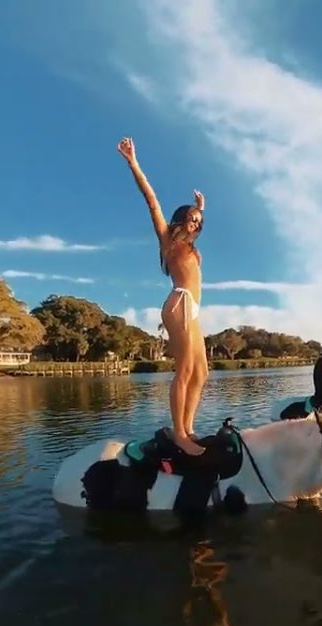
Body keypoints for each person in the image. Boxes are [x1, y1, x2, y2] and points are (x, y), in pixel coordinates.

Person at [117, 136, 208, 457]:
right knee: (184, 369)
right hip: (179, 302)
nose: (196, 222)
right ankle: (179, 434)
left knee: (202, 372)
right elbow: (151, 199)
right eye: (191, 217)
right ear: (180, 218)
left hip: (193, 309)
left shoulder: (193, 248)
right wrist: (133, 162)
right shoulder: (169, 239)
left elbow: (198, 218)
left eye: (199, 221)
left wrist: (202, 207)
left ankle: (189, 428)